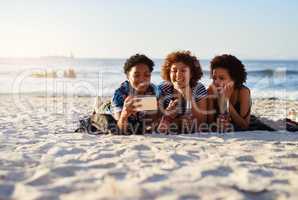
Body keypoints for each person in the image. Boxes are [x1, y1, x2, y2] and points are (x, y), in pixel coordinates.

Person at [157, 51, 207, 133]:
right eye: (174, 70)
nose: (178, 74)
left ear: (191, 74)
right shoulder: (163, 88)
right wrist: (179, 121)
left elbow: (201, 123)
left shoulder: (198, 88)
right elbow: (156, 123)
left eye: (183, 70)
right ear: (168, 72)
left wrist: (186, 92)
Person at [111, 54, 159, 134]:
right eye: (136, 75)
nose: (142, 80)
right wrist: (124, 114)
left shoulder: (153, 90)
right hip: (112, 109)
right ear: (128, 76)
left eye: (147, 75)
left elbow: (151, 122)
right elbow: (120, 129)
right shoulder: (120, 94)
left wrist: (158, 111)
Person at [207, 54, 251, 132]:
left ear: (234, 79)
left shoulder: (243, 92)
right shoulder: (211, 90)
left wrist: (226, 101)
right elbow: (210, 123)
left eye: (221, 78)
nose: (216, 82)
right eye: (214, 78)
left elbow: (244, 125)